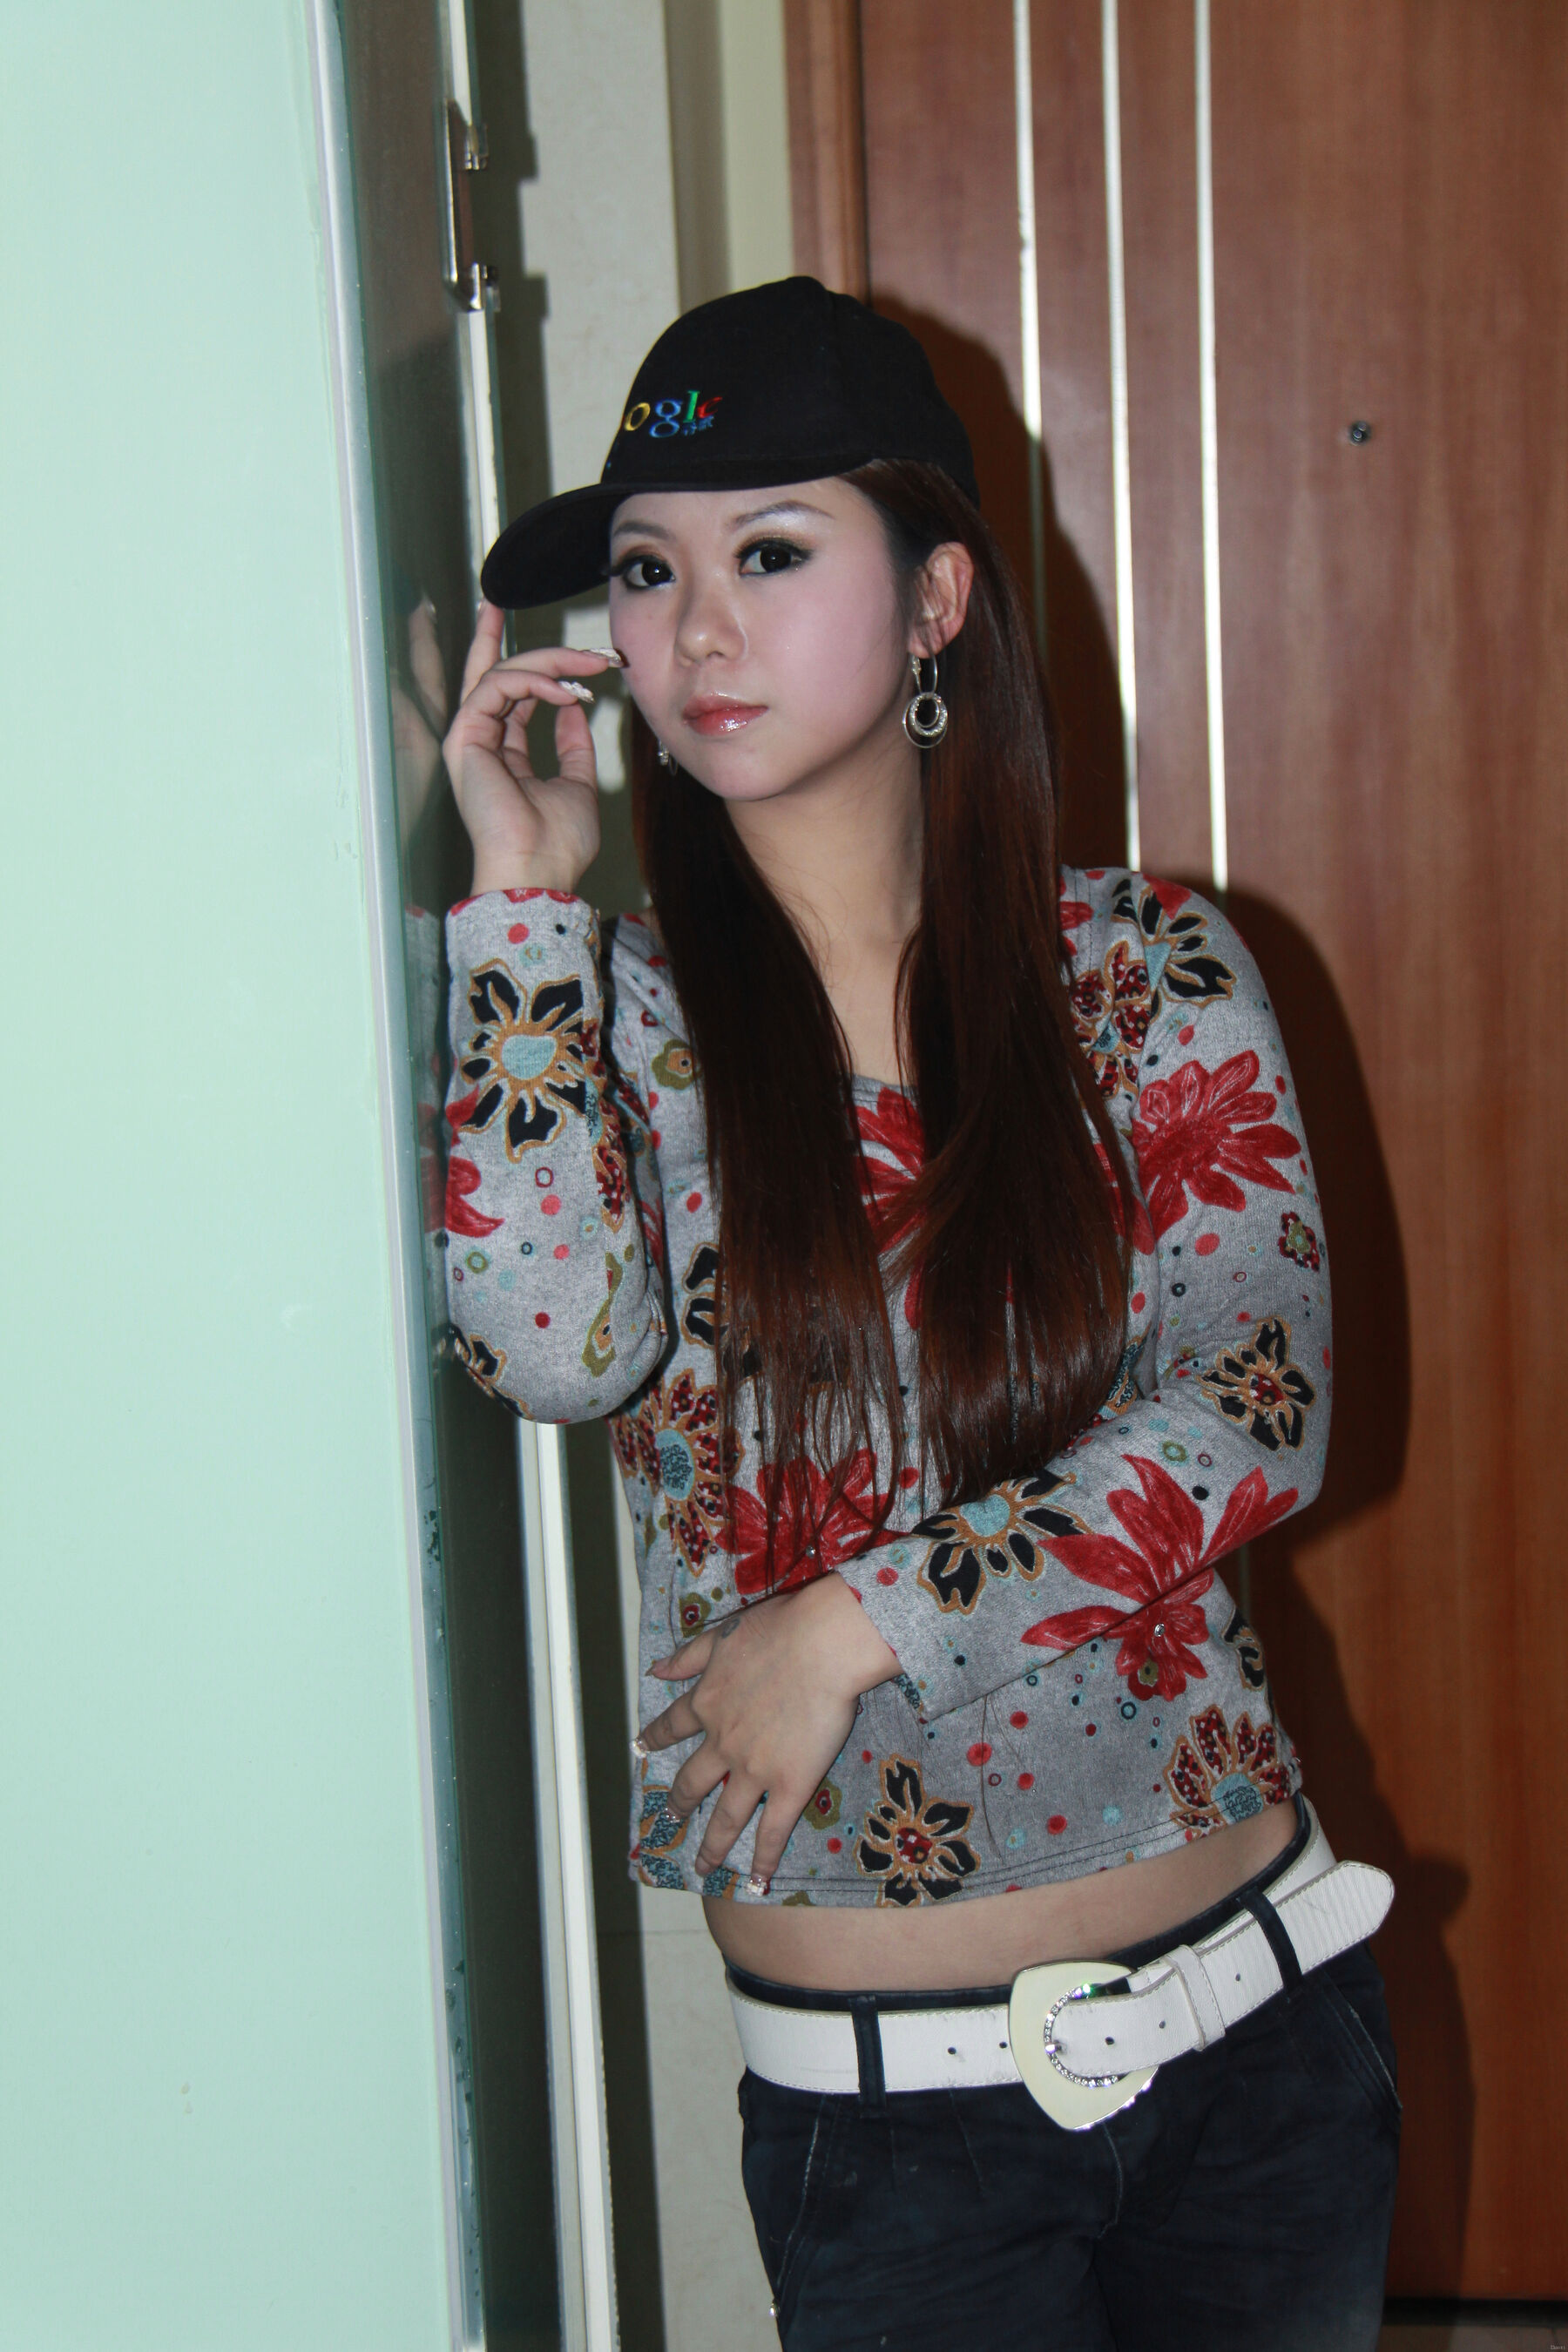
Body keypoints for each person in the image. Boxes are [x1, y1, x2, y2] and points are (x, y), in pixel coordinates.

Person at [438, 277, 1399, 2350]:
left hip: (1259, 2042)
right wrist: (521, 896)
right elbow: (548, 1349)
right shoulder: (600, 1015)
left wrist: (852, 1626)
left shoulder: (1143, 968)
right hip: (893, 2138)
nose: (697, 631)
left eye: (772, 553)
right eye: (647, 571)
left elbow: (1255, 1411)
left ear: (938, 597)